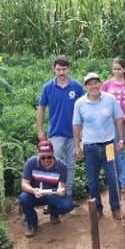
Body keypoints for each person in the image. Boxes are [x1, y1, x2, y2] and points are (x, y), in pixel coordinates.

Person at [73, 72, 125, 219]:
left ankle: (116, 208)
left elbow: (119, 119)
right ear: (85, 87)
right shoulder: (80, 103)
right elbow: (76, 125)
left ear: (101, 84)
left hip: (108, 146)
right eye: (90, 84)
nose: (93, 86)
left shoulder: (110, 99)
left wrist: (121, 140)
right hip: (90, 148)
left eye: (96, 83)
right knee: (92, 181)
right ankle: (97, 209)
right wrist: (77, 146)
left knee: (113, 178)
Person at [36, 56, 84, 200]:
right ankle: (50, 196)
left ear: (68, 69)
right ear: (53, 69)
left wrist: (82, 134)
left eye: (64, 69)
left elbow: (83, 109)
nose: (61, 72)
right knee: (52, 165)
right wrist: (40, 129)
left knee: (70, 166)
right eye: (58, 69)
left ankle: (67, 195)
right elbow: (41, 108)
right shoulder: (48, 87)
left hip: (73, 134)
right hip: (55, 133)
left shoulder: (76, 87)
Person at [19, 140, 75, 237]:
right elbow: (24, 184)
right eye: (43, 157)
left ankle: (53, 211)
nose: (46, 160)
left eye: (49, 157)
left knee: (68, 205)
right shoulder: (31, 162)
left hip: (52, 194)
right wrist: (33, 190)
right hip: (35, 194)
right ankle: (31, 223)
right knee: (23, 197)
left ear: (53, 154)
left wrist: (61, 192)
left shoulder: (62, 166)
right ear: (38, 154)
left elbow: (61, 189)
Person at [102, 58, 125, 194]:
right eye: (114, 68)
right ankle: (115, 180)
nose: (117, 71)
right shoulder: (107, 84)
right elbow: (101, 101)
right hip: (111, 124)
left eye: (119, 68)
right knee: (111, 151)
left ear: (124, 69)